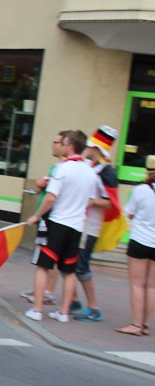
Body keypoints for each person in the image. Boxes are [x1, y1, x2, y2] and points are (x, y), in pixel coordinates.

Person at [23, 129, 100, 323]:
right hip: (76, 226)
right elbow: (90, 201)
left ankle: (38, 309)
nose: (62, 146)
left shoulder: (62, 169)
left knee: (43, 266)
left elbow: (50, 198)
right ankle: (64, 312)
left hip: (57, 223)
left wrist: (36, 216)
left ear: (70, 147)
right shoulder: (90, 172)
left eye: (64, 143)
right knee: (69, 271)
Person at [72, 125, 119, 321]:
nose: (87, 149)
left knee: (81, 267)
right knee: (69, 263)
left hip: (89, 227)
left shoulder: (107, 171)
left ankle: (94, 308)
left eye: (90, 146)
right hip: (78, 223)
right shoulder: (89, 166)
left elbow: (112, 202)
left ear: (97, 149)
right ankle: (73, 300)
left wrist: (91, 201)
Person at [21, 131, 69, 306]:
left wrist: (44, 184)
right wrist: (41, 186)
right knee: (42, 254)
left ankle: (48, 291)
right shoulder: (56, 167)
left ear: (65, 146)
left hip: (53, 217)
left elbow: (55, 194)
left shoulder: (63, 168)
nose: (52, 145)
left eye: (56, 142)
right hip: (47, 218)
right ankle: (40, 289)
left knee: (51, 257)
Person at [116, 155, 155, 335]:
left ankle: (136, 325)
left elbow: (129, 213)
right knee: (152, 286)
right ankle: (146, 325)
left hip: (140, 241)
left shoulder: (141, 190)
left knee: (137, 284)